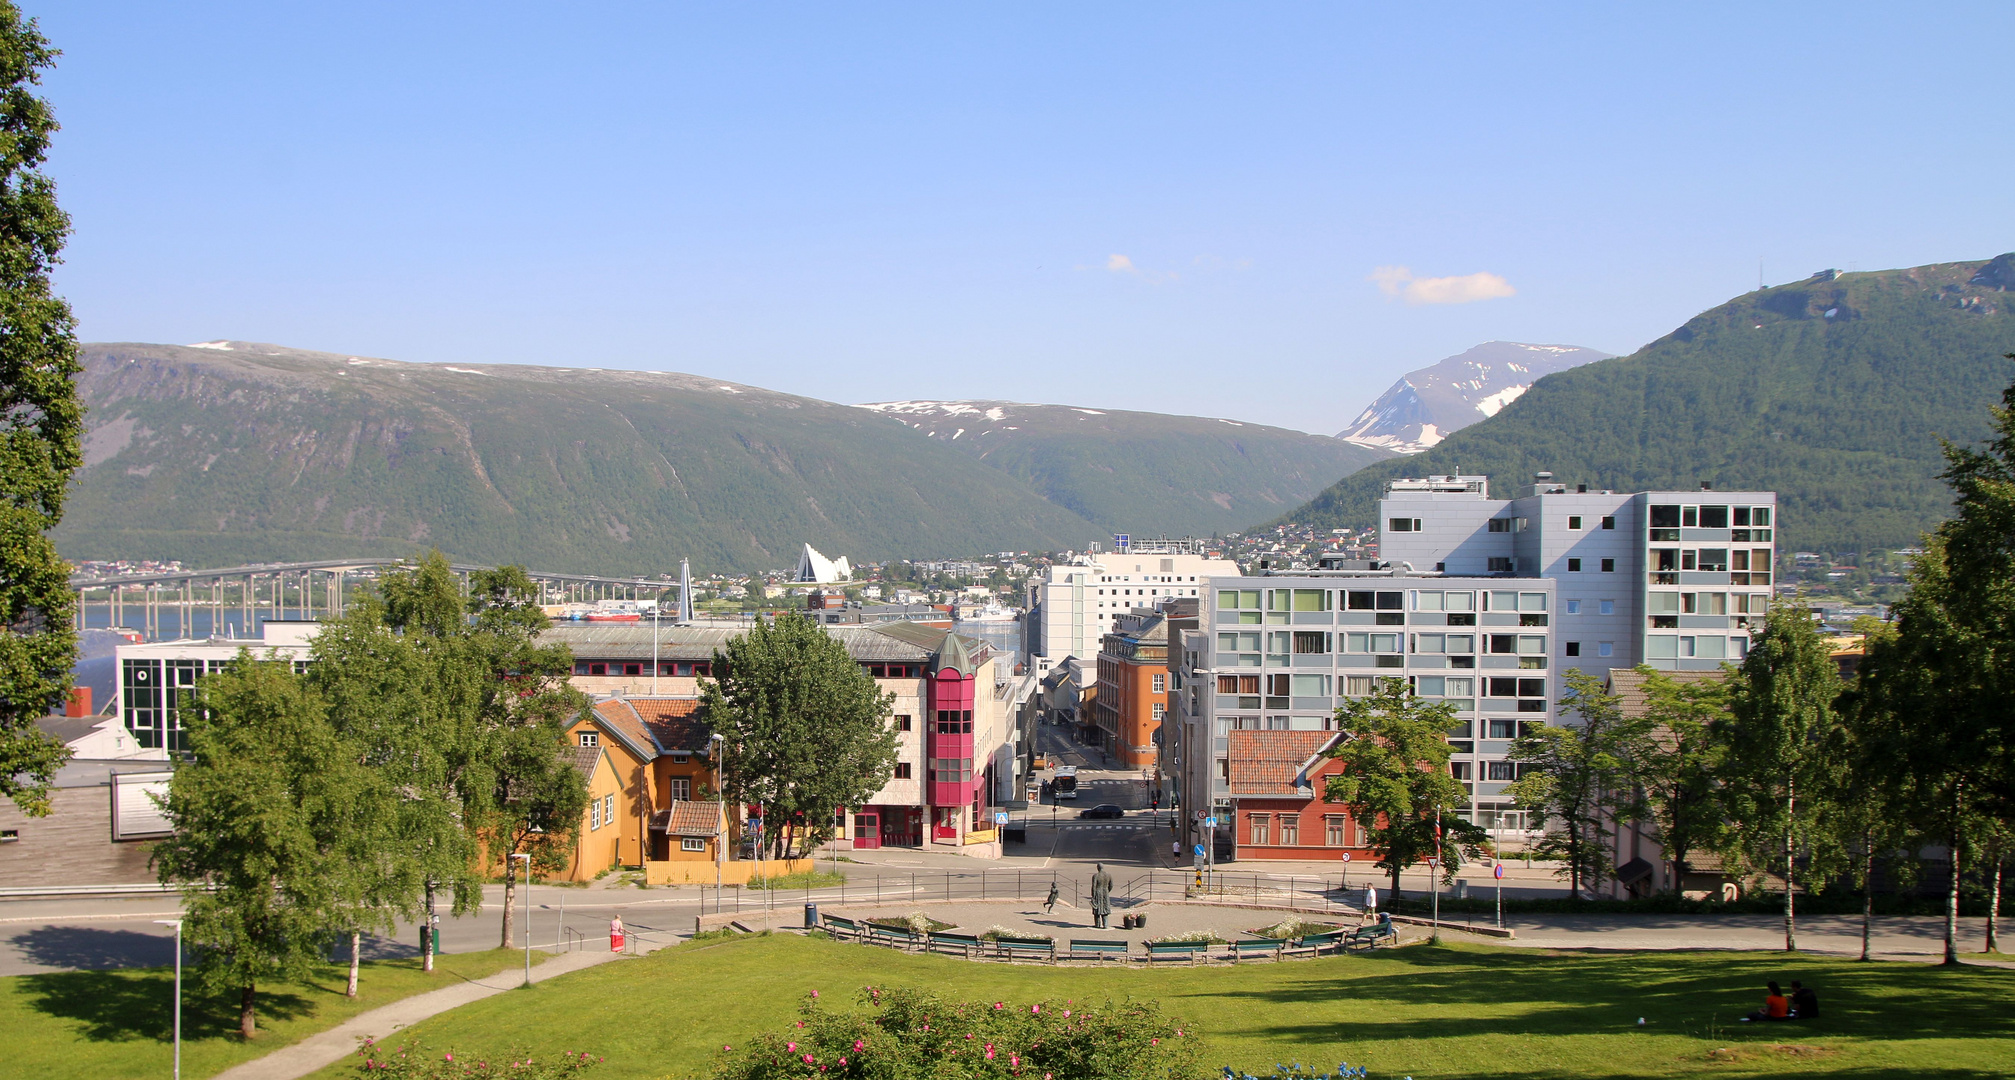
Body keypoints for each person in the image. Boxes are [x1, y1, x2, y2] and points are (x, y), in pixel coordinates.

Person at [1090, 863, 1114, 929]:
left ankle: (1097, 924)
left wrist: (1093, 895)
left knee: (1097, 909)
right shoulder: (1108, 875)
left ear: (1098, 868)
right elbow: (1111, 885)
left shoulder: (1096, 876)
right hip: (1105, 892)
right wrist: (1107, 891)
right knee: (1105, 908)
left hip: (1098, 892)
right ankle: (1105, 924)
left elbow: (1094, 887)